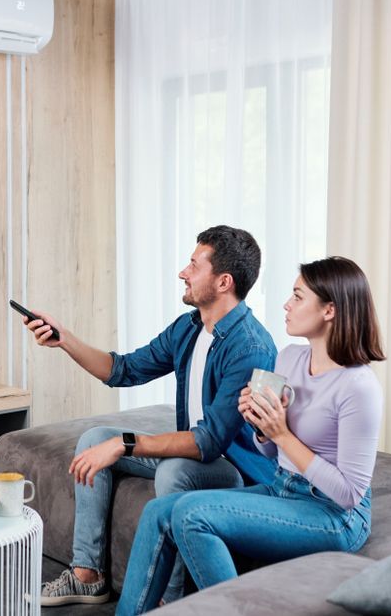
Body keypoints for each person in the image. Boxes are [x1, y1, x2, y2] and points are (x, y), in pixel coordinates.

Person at [22, 226, 278, 607]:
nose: (183, 272)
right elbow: (122, 370)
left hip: (233, 468)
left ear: (223, 282)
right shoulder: (190, 328)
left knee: (173, 472)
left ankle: (168, 602)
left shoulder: (250, 347)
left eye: (194, 264)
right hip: (194, 449)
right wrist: (65, 339)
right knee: (95, 438)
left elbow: (208, 444)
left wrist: (124, 445)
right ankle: (87, 575)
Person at [116, 256, 385, 615]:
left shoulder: (359, 387)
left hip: (333, 514)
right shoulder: (289, 358)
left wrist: (283, 433)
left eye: (298, 297)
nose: (286, 305)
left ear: (329, 310)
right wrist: (260, 425)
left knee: (193, 516)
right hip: (282, 487)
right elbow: (272, 453)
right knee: (159, 511)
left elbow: (350, 494)